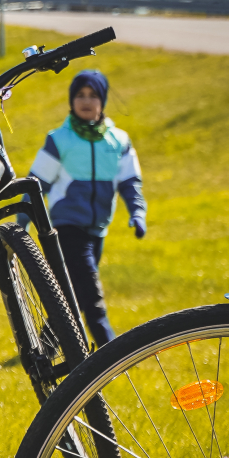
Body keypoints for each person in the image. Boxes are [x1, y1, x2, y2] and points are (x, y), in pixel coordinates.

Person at [26, 69, 146, 346]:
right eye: (80, 95)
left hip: (98, 229)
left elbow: (130, 181)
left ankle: (44, 346)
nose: (86, 101)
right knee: (90, 296)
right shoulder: (60, 140)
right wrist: (22, 221)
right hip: (68, 226)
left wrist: (137, 212)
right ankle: (111, 350)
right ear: (71, 101)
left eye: (93, 95)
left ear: (102, 100)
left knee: (73, 294)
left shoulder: (118, 141)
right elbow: (36, 184)